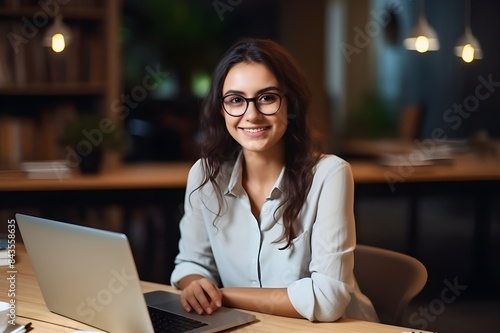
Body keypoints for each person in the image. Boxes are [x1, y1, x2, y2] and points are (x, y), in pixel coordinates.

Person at [170, 37, 378, 323]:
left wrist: (220, 295)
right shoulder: (205, 175)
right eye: (235, 100)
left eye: (267, 97)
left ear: (290, 104)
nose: (251, 115)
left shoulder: (330, 174)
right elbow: (191, 263)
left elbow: (328, 300)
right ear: (221, 109)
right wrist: (194, 284)